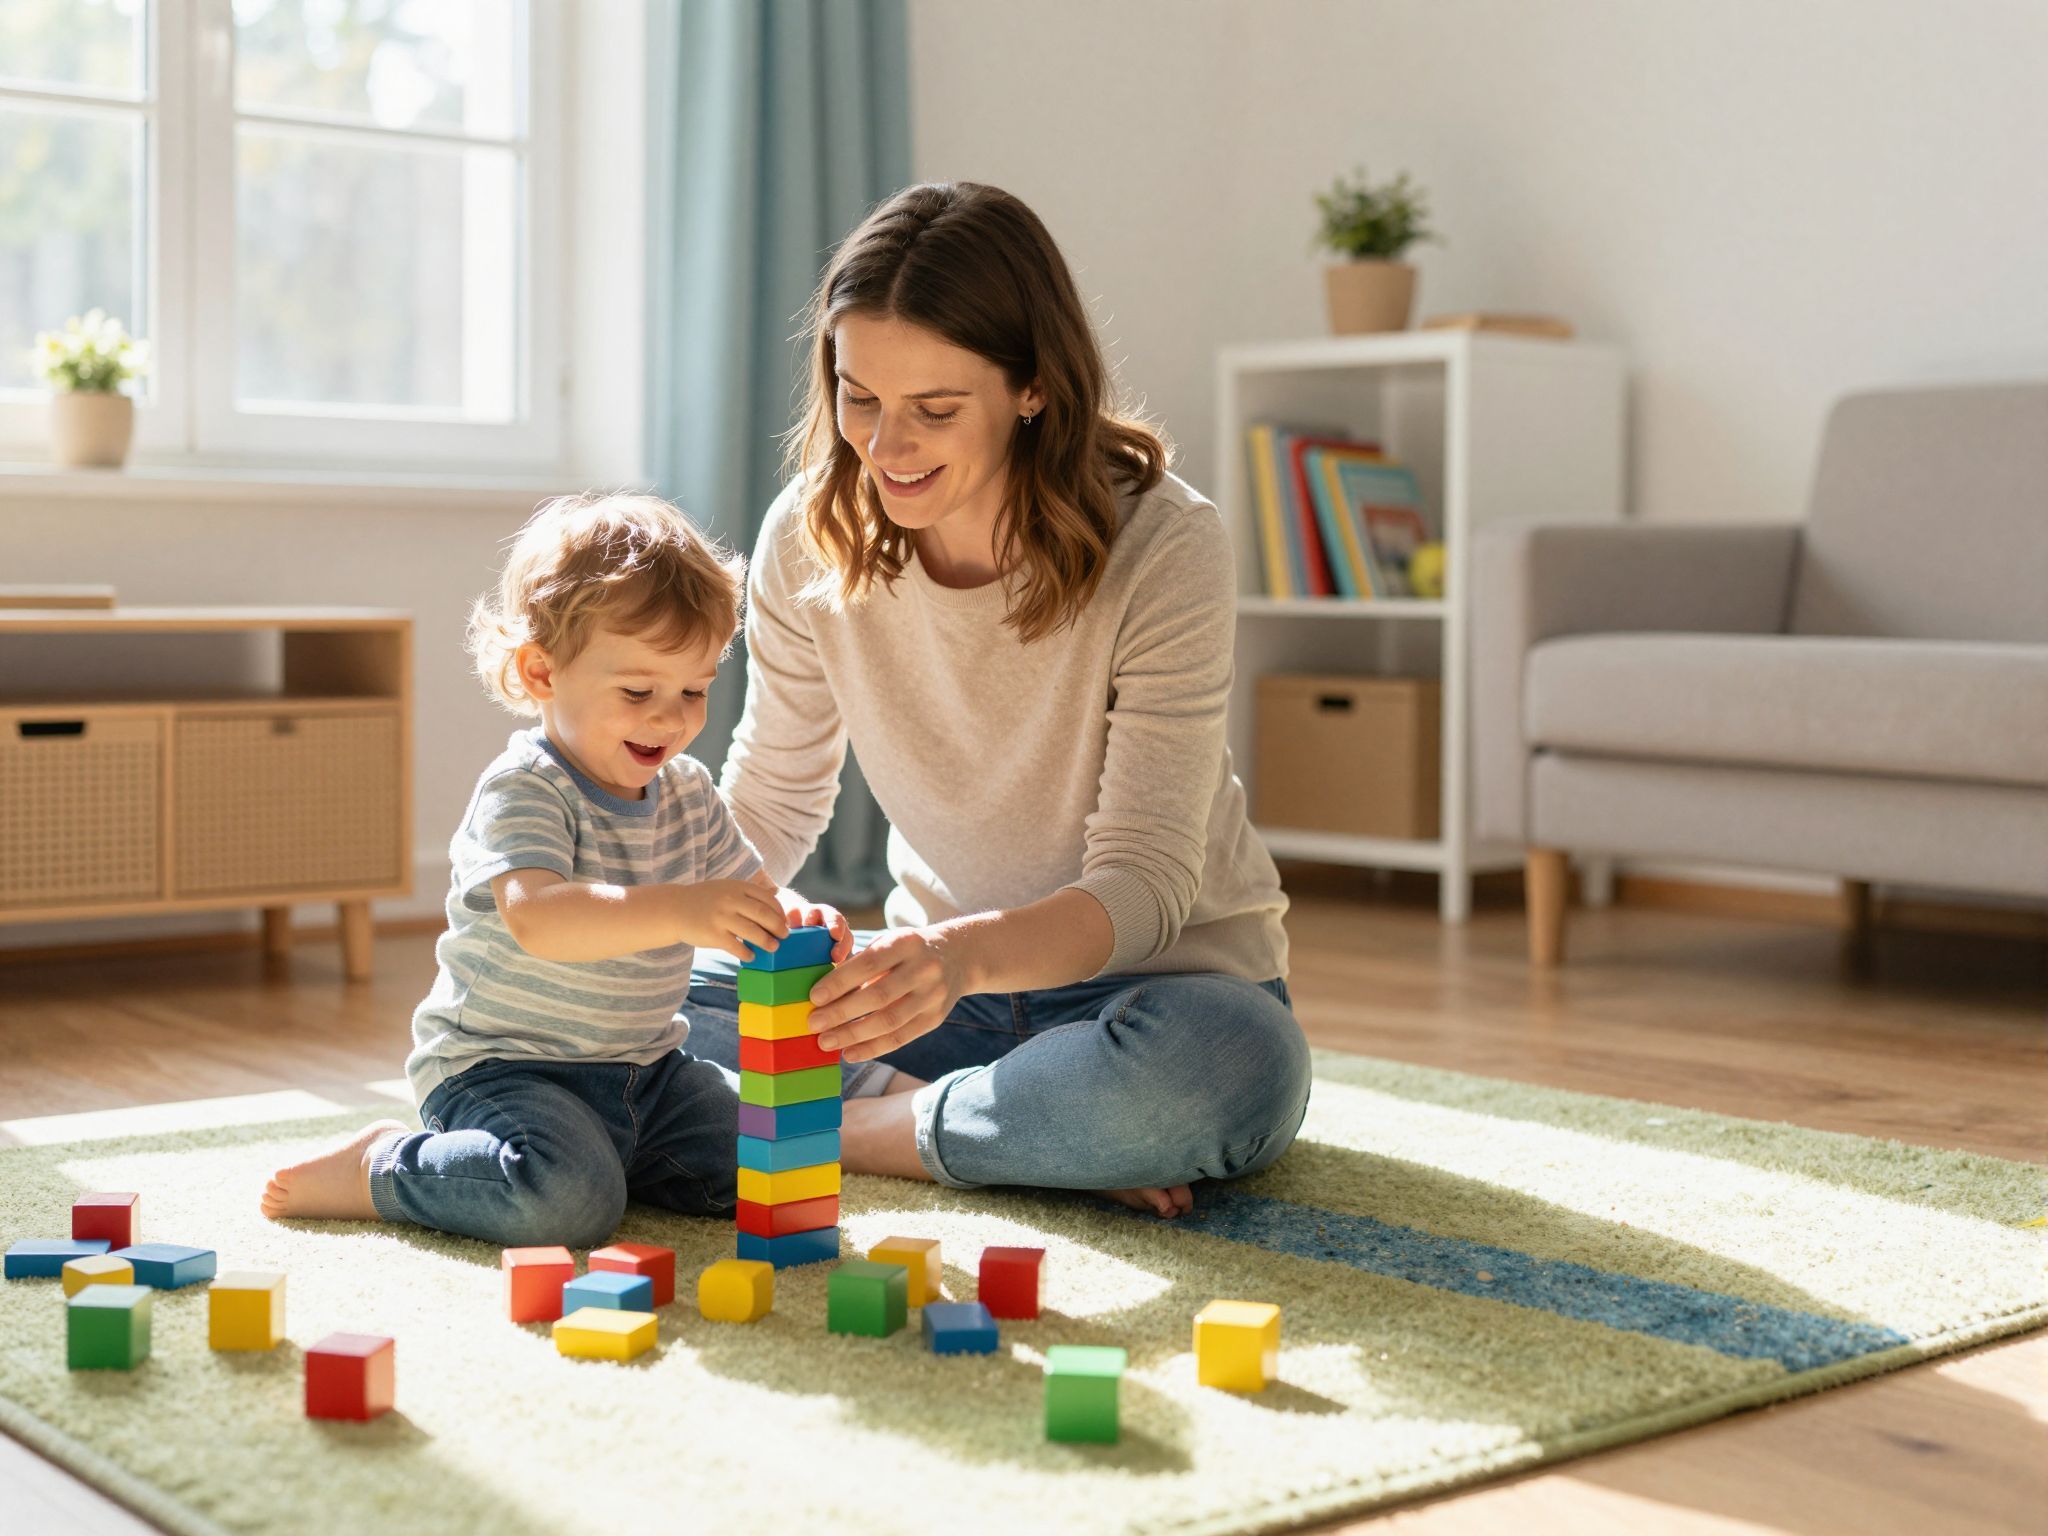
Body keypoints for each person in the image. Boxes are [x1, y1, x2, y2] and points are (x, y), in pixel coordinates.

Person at [684, 181, 1312, 1219]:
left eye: (934, 410)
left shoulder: (1164, 541)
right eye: (858, 397)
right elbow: (773, 799)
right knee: (640, 1004)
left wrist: (958, 955)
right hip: (931, 1009)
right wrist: (641, 917)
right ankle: (1006, 1128)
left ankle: (859, 1129)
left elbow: (1145, 883)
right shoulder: (808, 534)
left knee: (1230, 1071)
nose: (885, 448)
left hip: (1153, 995)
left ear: (1032, 387)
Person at [259, 493, 851, 1246]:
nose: (670, 718)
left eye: (693, 690)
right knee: (565, 1202)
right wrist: (680, 909)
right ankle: (382, 1166)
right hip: (505, 1070)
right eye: (637, 691)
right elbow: (541, 917)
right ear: (541, 673)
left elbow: (755, 895)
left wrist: (799, 917)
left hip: (649, 1070)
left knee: (782, 1161)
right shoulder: (527, 788)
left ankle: (616, 1158)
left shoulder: (690, 793)